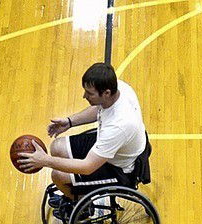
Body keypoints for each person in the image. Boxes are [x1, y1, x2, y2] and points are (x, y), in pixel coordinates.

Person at [14, 62, 147, 204]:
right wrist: (70, 122)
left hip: (120, 169)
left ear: (106, 93)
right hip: (114, 145)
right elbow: (100, 108)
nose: (84, 96)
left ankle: (80, 205)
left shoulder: (119, 126)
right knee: (57, 146)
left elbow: (87, 167)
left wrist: (44, 160)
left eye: (89, 93)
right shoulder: (119, 88)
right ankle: (76, 193)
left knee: (58, 176)